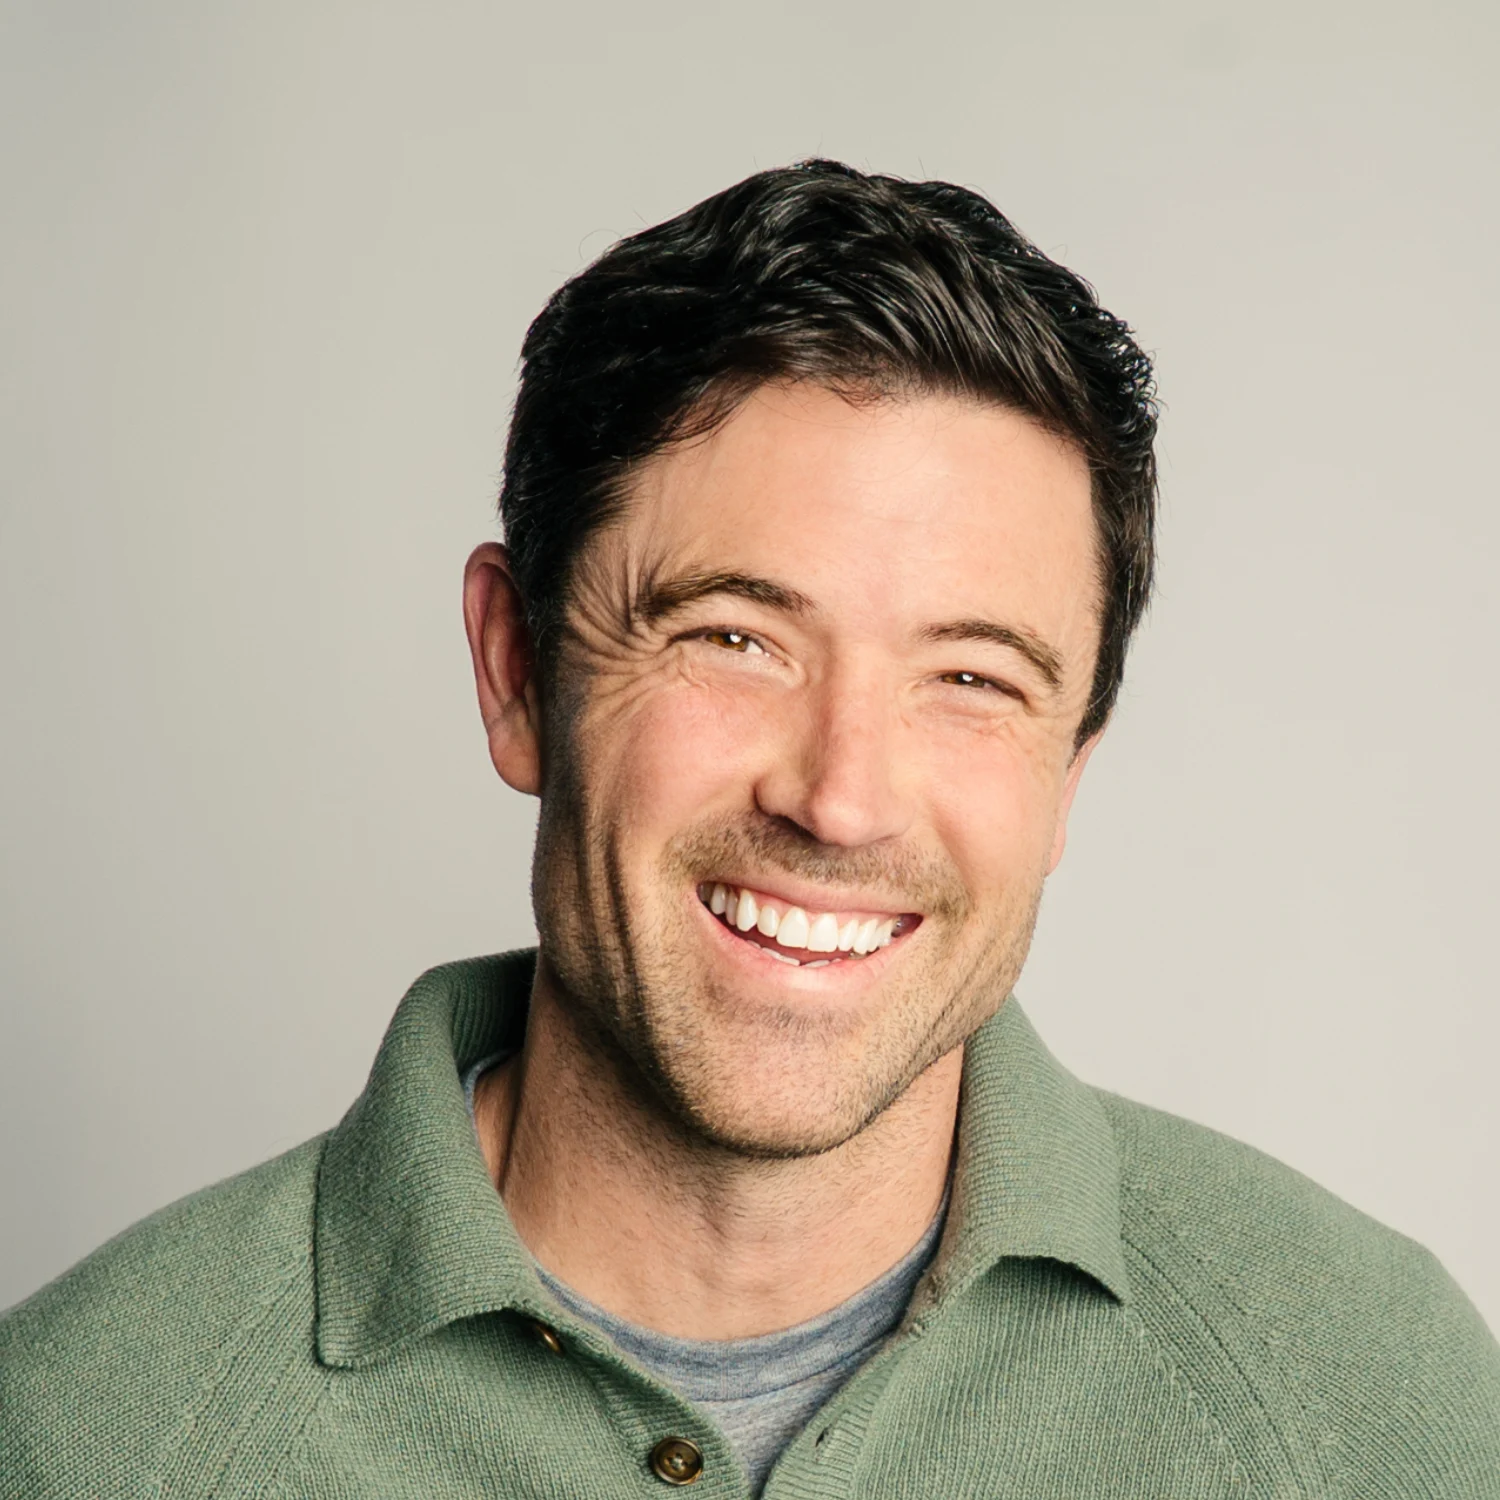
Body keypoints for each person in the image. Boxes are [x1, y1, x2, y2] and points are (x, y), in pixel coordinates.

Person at [2, 159, 1496, 1500]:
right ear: (517, 673)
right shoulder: (81, 1440)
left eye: (972, 679)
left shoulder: (1372, 1402)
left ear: (1069, 773)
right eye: (733, 638)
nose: (840, 798)